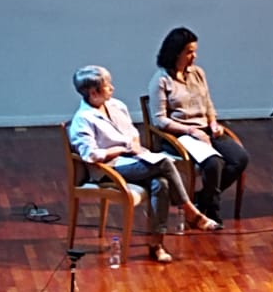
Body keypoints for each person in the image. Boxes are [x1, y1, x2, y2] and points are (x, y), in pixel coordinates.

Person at [67, 65, 219, 265]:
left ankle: (156, 244)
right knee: (164, 162)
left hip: (133, 160)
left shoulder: (117, 106)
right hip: (109, 168)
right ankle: (190, 211)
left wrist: (137, 149)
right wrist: (123, 150)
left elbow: (132, 135)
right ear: (93, 92)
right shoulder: (83, 119)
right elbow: (91, 155)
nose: (112, 88)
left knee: (161, 184)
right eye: (107, 85)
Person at [148, 27, 250, 226]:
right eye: (189, 52)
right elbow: (160, 120)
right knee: (213, 163)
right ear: (176, 52)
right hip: (180, 134)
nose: (194, 56)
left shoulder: (198, 73)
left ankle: (202, 199)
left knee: (240, 158)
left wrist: (213, 122)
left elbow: (207, 102)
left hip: (205, 129)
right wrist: (190, 130)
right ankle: (212, 209)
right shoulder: (160, 80)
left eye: (194, 51)